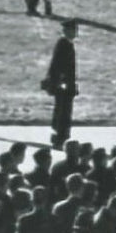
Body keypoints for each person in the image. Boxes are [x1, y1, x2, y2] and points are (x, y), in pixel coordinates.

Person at [43, 19, 78, 149]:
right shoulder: (63, 44)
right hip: (63, 85)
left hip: (66, 84)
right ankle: (60, 138)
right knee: (62, 112)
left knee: (63, 111)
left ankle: (60, 137)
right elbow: (57, 65)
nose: (75, 33)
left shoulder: (67, 43)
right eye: (73, 30)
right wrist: (61, 82)